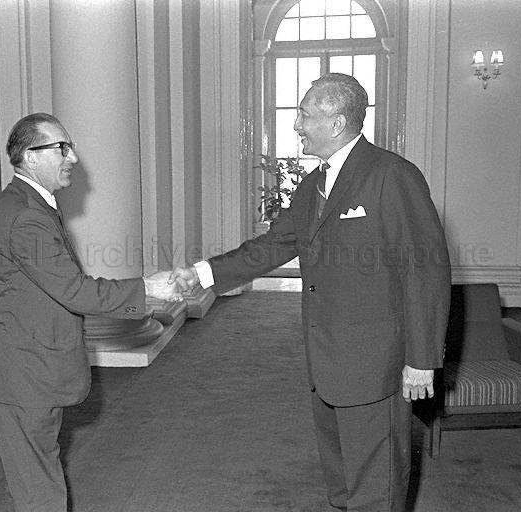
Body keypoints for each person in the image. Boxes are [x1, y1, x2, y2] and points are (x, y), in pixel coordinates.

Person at [170, 73, 451, 512]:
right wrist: (202, 273)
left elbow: (425, 272)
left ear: (336, 123)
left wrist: (422, 359)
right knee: (342, 482)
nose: (296, 125)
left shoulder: (392, 175)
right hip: (327, 360)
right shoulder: (313, 184)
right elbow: (271, 246)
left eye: (304, 115)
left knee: (376, 490)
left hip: (376, 363)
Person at [0, 112, 180, 512]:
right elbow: (75, 291)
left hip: (27, 369)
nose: (73, 158)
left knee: (35, 483)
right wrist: (147, 288)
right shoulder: (25, 215)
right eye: (61, 148)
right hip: (20, 374)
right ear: (30, 157)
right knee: (40, 493)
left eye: (71, 147)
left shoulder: (29, 204)